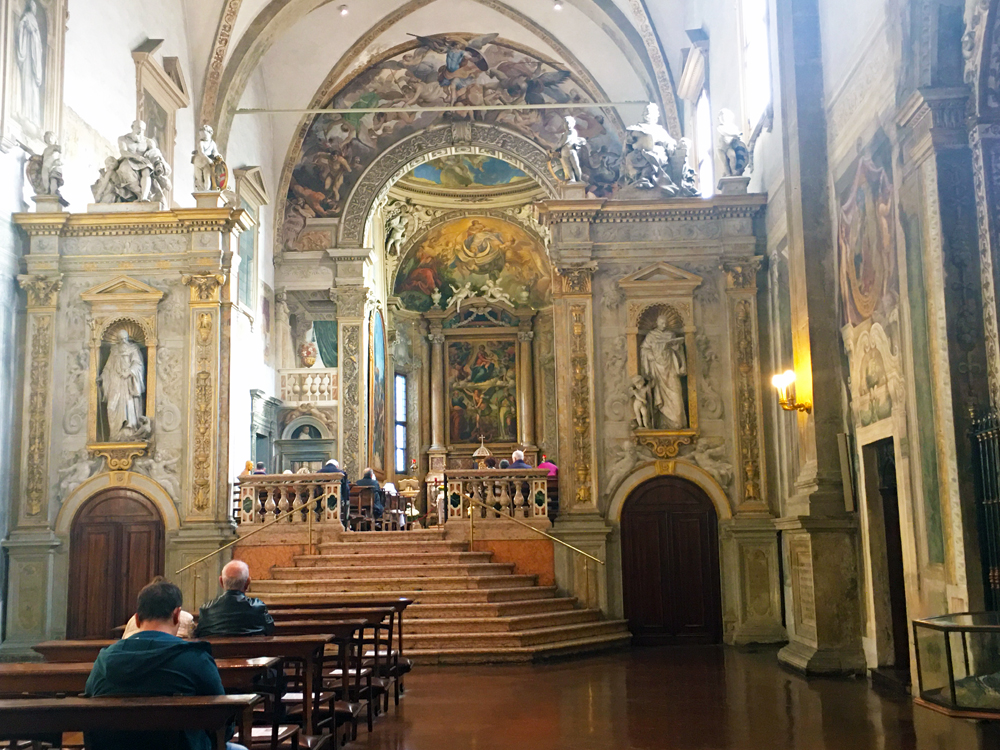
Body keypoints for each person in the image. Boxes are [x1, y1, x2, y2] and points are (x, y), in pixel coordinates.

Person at [85, 578, 247, 750]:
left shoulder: (103, 660)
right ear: (177, 615)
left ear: (137, 619)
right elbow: (220, 719)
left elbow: (90, 709)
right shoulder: (195, 658)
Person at [194, 560, 274, 638]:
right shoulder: (258, 607)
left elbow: (199, 634)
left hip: (216, 651)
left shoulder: (206, 610)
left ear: (221, 582)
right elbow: (270, 630)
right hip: (252, 651)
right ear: (247, 583)